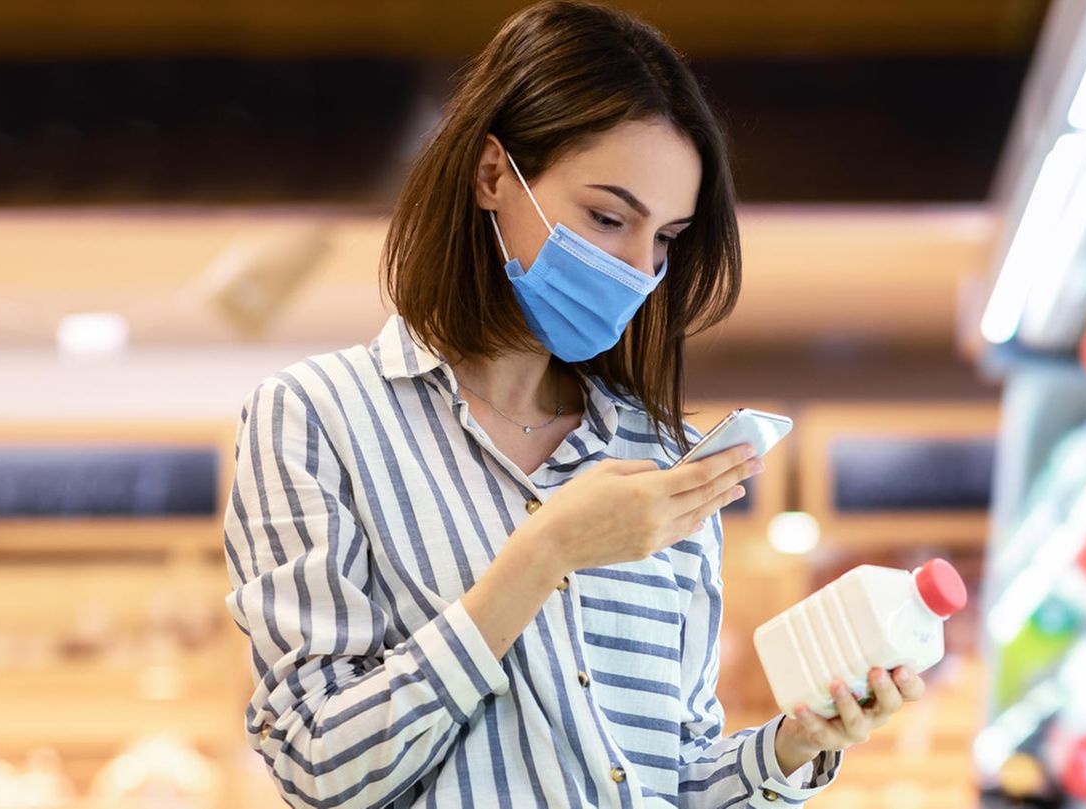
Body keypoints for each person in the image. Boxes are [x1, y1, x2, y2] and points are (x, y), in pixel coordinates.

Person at [221, 2, 925, 806]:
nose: (637, 266)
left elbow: (675, 770)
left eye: (665, 238)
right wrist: (541, 555)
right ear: (493, 175)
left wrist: (797, 743)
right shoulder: (317, 419)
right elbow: (320, 766)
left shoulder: (661, 462)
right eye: (607, 216)